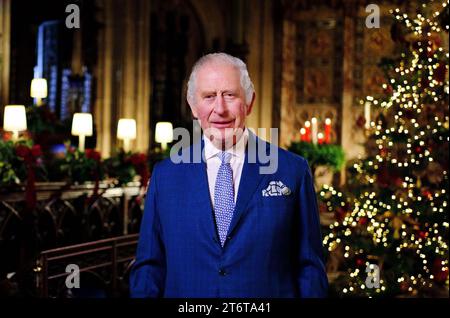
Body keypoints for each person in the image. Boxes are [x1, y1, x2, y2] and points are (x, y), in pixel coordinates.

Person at [129, 52, 328, 297]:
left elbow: (310, 268)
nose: (220, 109)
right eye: (209, 96)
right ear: (193, 105)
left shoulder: (291, 170)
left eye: (230, 95)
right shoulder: (165, 176)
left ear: (250, 102)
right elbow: (149, 268)